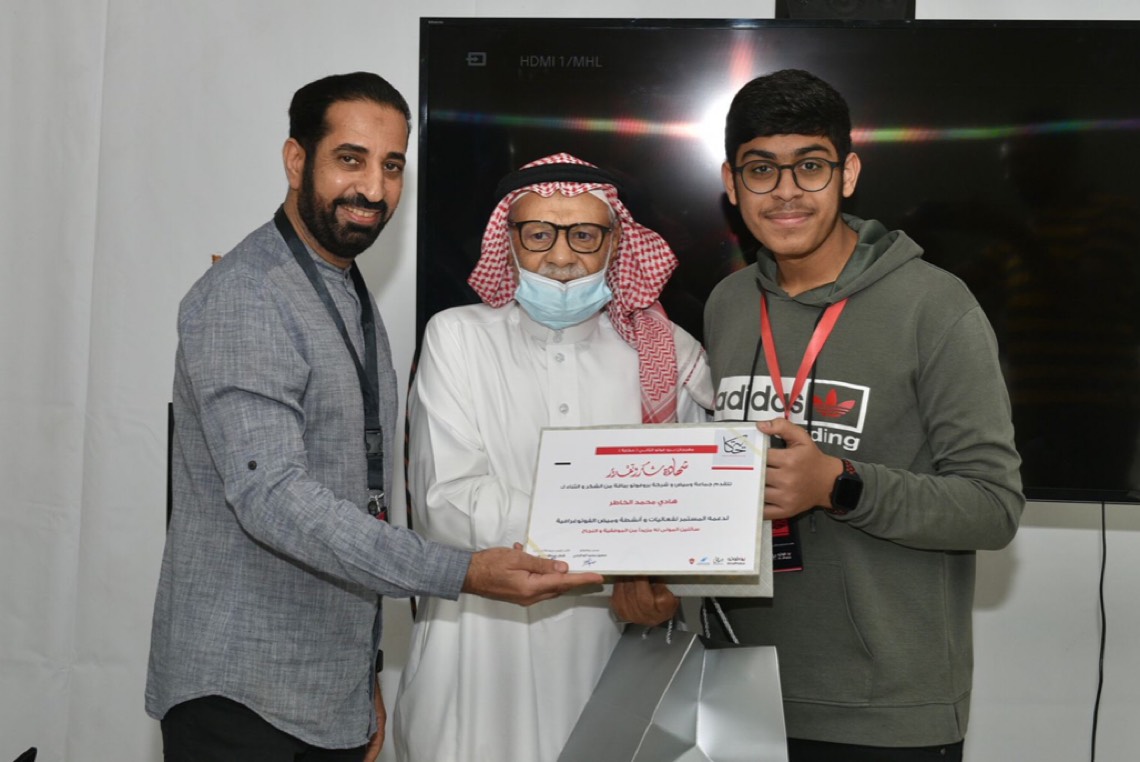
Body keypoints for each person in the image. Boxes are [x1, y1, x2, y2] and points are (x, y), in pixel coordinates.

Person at [145, 73, 601, 762]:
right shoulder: (249, 293)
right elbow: (272, 497)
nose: (374, 188)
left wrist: (361, 679)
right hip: (241, 698)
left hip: (324, 695)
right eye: (350, 159)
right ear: (296, 160)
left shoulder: (341, 287)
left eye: (392, 166)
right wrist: (463, 572)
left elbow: (358, 496)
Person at [701, 69, 1025, 761]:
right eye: (761, 169)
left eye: (810, 166)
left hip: (886, 710)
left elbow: (993, 508)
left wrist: (839, 484)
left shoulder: (935, 306)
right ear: (732, 183)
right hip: (736, 688)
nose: (786, 191)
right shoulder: (727, 304)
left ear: (847, 173)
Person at [392, 153, 714, 762]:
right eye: (538, 234)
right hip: (480, 649)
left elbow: (691, 512)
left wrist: (664, 585)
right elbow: (448, 505)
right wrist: (619, 542)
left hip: (611, 643)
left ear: (616, 243)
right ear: (509, 241)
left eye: (584, 235)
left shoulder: (666, 353)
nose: (561, 258)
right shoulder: (457, 337)